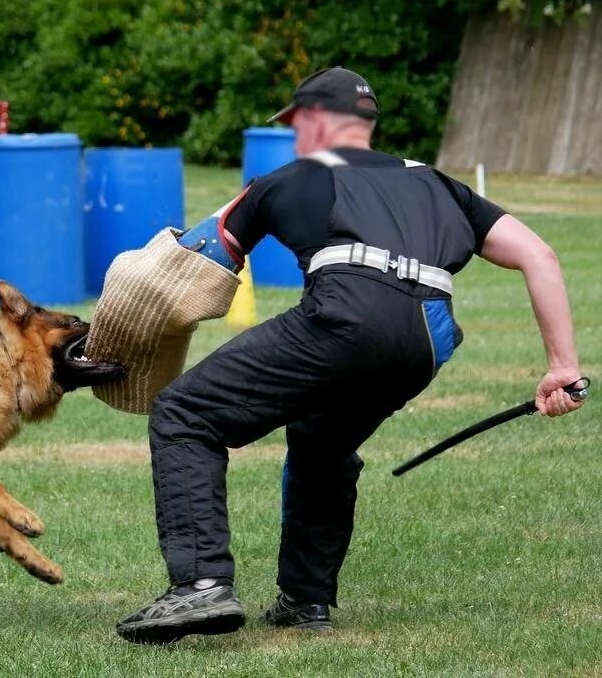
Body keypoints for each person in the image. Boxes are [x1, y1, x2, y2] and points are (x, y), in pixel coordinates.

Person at [115, 66, 585, 645]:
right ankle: (306, 599)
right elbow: (540, 255)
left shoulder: (288, 178)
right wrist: (562, 365)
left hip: (348, 313)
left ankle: (201, 585)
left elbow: (189, 264)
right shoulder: (436, 182)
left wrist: (114, 341)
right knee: (323, 439)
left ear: (314, 120)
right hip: (427, 337)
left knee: (185, 413)